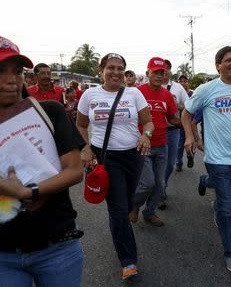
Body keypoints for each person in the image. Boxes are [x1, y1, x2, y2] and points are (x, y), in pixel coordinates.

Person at [0, 36, 85, 286]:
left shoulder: (49, 111)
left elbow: (74, 170)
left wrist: (29, 191)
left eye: (17, 71)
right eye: (0, 71)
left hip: (58, 247)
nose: (11, 79)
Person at [182, 46, 231, 274]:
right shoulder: (206, 89)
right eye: (228, 60)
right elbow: (187, 114)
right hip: (216, 157)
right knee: (227, 208)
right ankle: (230, 252)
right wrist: (190, 135)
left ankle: (205, 181)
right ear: (218, 65)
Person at [76, 53, 154, 280]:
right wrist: (85, 147)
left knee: (129, 200)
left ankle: (130, 211)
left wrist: (146, 135)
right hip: (105, 157)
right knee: (118, 209)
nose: (116, 72)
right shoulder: (90, 95)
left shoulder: (134, 93)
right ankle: (128, 260)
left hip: (133, 155)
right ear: (101, 70)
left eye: (120, 68)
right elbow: (80, 125)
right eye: (111, 67)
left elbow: (148, 121)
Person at [129, 57, 180, 227]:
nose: (159, 75)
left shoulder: (167, 95)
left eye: (162, 72)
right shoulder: (136, 92)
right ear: (147, 73)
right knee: (147, 183)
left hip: (162, 145)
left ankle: (149, 212)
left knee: (160, 184)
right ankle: (134, 206)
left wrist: (189, 123)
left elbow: (172, 118)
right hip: (142, 146)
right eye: (155, 72)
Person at [160, 59, 188, 209]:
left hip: (173, 131)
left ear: (170, 70)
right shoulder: (150, 87)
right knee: (157, 164)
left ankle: (161, 185)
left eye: (166, 69)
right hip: (155, 133)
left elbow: (189, 106)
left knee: (170, 164)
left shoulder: (177, 88)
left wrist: (176, 105)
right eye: (160, 69)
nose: (163, 71)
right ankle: (159, 191)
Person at [176, 74, 194, 172]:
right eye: (180, 81)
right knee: (180, 144)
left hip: (191, 123)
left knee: (192, 141)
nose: (183, 83)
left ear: (188, 82)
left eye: (185, 81)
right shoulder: (176, 93)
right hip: (178, 123)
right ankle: (178, 162)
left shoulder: (193, 94)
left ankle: (190, 155)